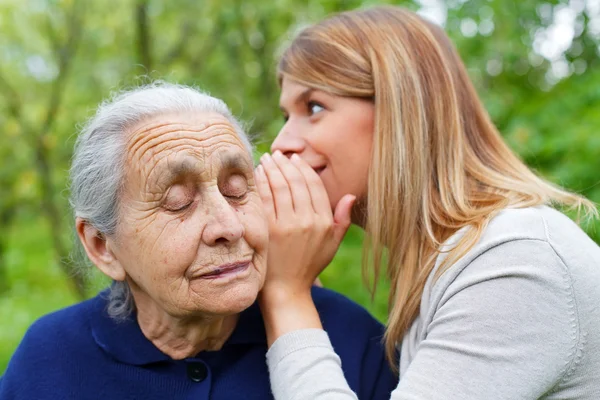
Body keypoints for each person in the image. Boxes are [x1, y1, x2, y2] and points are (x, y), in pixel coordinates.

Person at [254, 6, 600, 400]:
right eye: (286, 115)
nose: (281, 144)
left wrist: (288, 297)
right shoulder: (449, 261)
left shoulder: (515, 261)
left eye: (314, 107)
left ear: (399, 110)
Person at [0, 83, 398, 400]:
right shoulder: (50, 359)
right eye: (178, 203)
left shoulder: (346, 338)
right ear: (102, 246)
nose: (229, 225)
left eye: (239, 190)